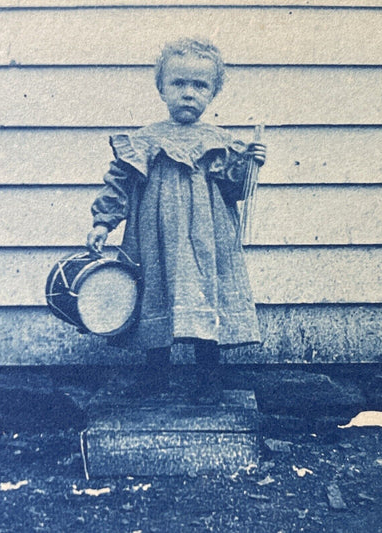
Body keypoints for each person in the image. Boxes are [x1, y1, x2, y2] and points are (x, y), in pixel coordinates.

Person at [86, 38, 266, 401]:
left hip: (208, 238)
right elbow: (118, 183)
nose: (188, 94)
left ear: (213, 93)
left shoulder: (221, 142)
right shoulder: (144, 141)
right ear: (162, 89)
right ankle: (156, 376)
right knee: (156, 290)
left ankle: (208, 378)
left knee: (206, 292)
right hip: (156, 236)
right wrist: (103, 222)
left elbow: (236, 190)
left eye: (200, 86)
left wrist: (250, 164)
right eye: (178, 84)